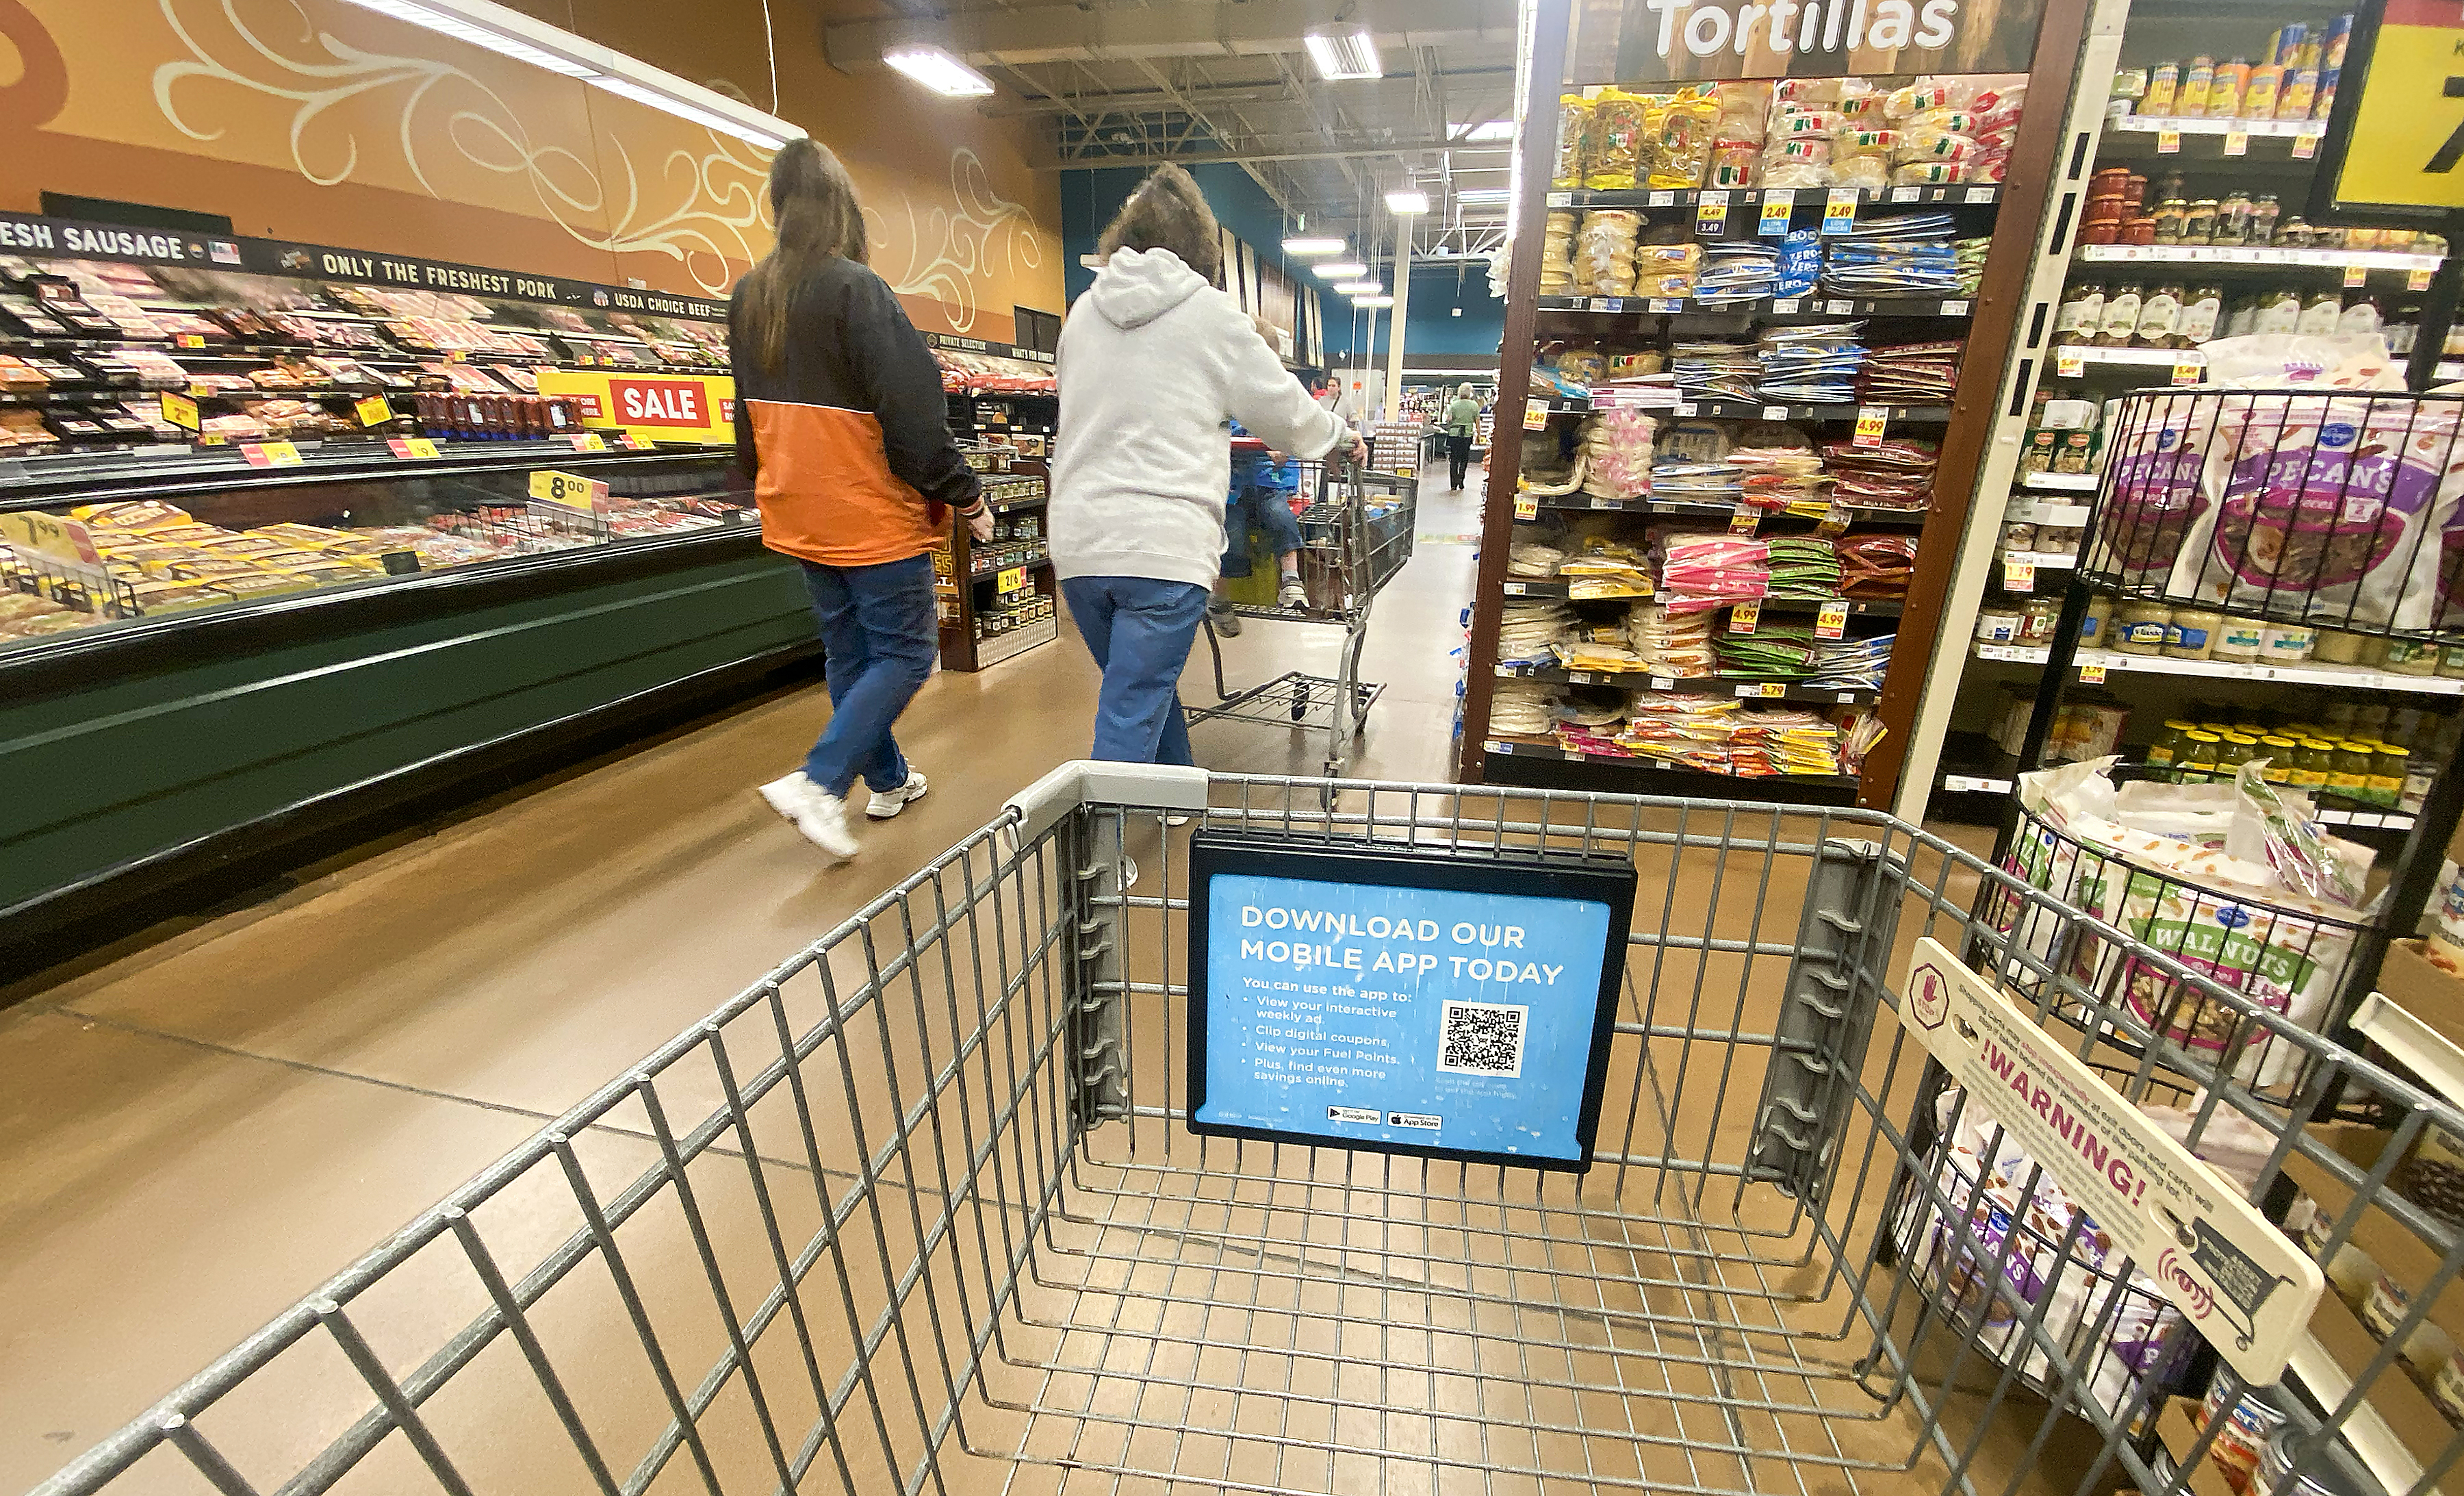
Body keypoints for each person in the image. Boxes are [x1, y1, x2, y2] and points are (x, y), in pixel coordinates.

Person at [729, 137, 991, 860]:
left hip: (795, 508)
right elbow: (912, 414)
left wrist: (765, 484)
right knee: (906, 654)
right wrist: (966, 496)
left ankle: (889, 779)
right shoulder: (855, 290)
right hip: (866, 510)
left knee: (848, 651)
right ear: (843, 209)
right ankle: (819, 781)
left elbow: (742, 418)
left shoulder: (752, 295)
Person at [1051, 164, 1363, 765]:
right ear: (1203, 249)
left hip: (1080, 545)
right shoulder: (1212, 316)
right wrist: (1339, 435)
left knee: (1139, 688)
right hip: (1163, 549)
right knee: (1129, 707)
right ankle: (1096, 859)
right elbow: (1288, 415)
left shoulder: (1082, 315)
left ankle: (1178, 788)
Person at [1207, 422, 1305, 638]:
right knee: (1231, 533)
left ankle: (1291, 578)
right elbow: (1220, 431)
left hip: (1270, 482)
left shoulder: (1277, 405)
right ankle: (1220, 597)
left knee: (1281, 516)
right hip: (1234, 485)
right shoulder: (1230, 405)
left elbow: (1295, 427)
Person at [1442, 383, 1483, 490]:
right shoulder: (1474, 405)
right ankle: (1461, 479)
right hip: (1466, 435)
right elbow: (1477, 422)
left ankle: (1453, 484)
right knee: (1464, 459)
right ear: (1470, 393)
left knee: (1454, 459)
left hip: (1454, 434)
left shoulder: (1454, 404)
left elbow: (1449, 419)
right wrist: (1479, 435)